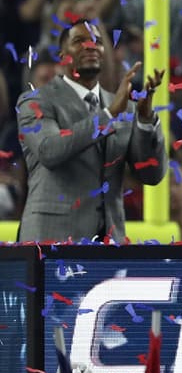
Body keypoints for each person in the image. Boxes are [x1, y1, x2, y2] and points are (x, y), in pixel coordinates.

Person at [16, 21, 166, 243]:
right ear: (62, 55)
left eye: (96, 42)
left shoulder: (124, 107)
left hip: (109, 244)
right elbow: (50, 151)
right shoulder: (35, 101)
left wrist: (144, 120)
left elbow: (151, 175)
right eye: (79, 41)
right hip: (51, 239)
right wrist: (108, 114)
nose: (90, 46)